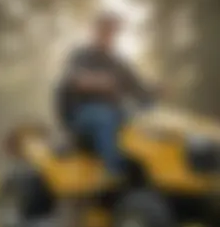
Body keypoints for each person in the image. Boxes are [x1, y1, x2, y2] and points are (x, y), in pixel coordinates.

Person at [54, 11, 154, 183]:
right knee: (104, 117)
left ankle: (146, 171)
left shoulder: (119, 63)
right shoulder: (81, 55)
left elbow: (139, 89)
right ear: (96, 31)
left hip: (115, 111)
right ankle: (112, 172)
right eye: (105, 29)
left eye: (113, 30)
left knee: (145, 120)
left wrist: (153, 93)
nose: (109, 34)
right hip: (81, 113)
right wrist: (99, 82)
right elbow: (75, 80)